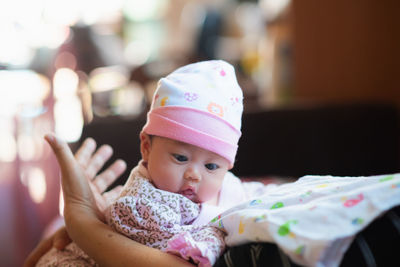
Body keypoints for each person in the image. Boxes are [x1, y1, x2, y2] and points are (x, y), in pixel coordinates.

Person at [31, 60, 258, 267]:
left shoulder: (232, 190)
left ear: (228, 166)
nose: (194, 175)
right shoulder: (140, 202)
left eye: (211, 166)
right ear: (146, 148)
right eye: (180, 158)